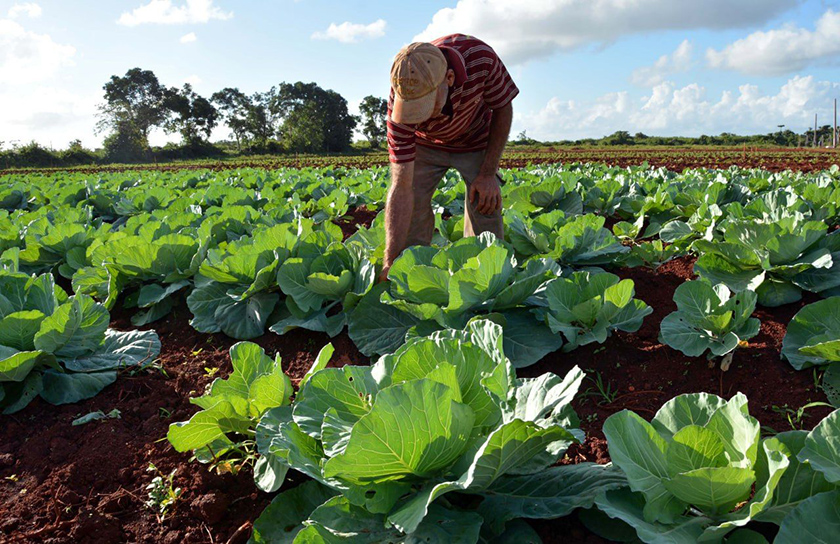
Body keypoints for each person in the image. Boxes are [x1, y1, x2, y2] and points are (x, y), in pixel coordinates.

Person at [380, 33, 519, 281]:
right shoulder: (403, 88)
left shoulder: (480, 59)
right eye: (411, 108)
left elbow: (503, 106)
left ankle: (483, 279)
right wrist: (389, 261)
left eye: (425, 105)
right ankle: (411, 276)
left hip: (475, 139)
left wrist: (488, 174)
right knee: (411, 204)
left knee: (485, 203)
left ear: (450, 79)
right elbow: (400, 187)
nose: (419, 116)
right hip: (424, 145)